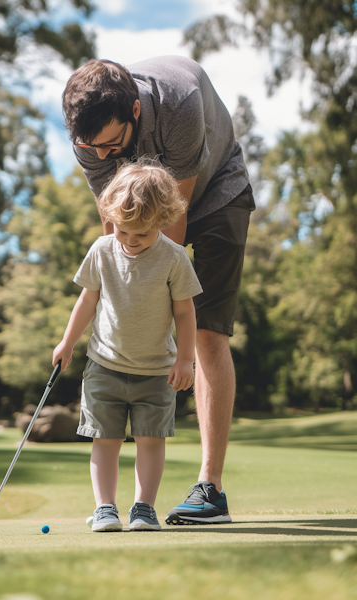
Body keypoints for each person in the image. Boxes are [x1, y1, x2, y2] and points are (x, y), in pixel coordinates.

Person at [62, 55, 254, 525]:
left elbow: (172, 221)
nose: (103, 155)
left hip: (214, 194)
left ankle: (211, 487)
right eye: (93, 149)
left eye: (112, 145)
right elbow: (115, 223)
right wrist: (117, 301)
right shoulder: (91, 140)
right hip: (146, 217)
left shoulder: (179, 104)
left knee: (207, 330)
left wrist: (155, 324)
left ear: (135, 111)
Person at [52, 162, 203, 532]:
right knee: (105, 439)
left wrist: (186, 359)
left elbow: (185, 313)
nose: (130, 240)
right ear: (110, 218)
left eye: (142, 233)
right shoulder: (103, 250)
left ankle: (143, 508)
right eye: (122, 230)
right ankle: (105, 508)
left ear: (162, 221)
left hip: (156, 371)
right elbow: (88, 300)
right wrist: (67, 341)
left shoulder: (174, 258)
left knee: (151, 440)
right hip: (104, 365)